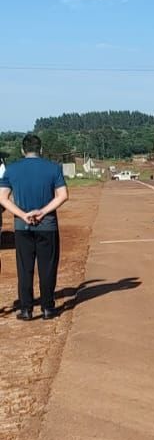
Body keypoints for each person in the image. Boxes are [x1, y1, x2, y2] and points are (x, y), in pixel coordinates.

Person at [0, 134, 68, 319]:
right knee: (47, 268)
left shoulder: (11, 170)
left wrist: (23, 214)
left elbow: (2, 198)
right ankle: (47, 308)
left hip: (22, 227)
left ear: (23, 150)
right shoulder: (53, 168)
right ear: (41, 149)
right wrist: (43, 212)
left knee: (24, 268)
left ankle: (26, 309)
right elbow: (62, 195)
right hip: (47, 225)